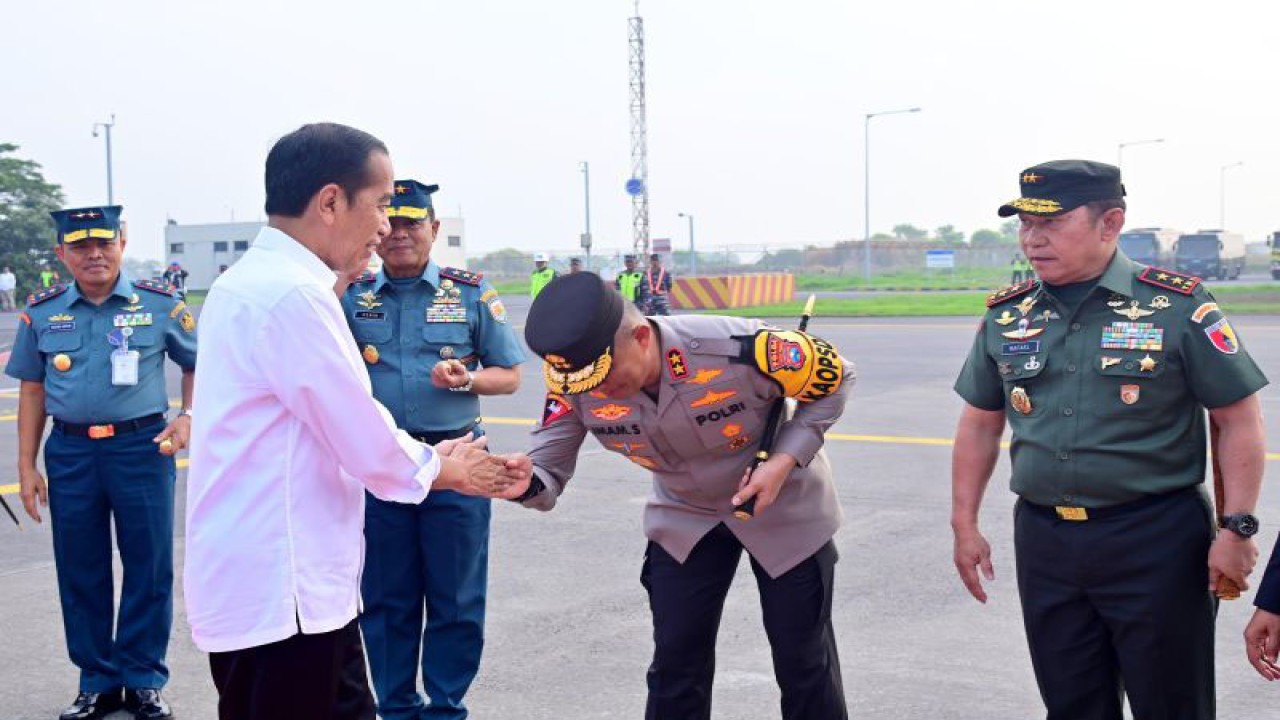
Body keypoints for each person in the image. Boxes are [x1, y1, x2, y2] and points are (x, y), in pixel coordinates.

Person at [183, 123, 516, 720]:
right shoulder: (293, 297)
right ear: (331, 201)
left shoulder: (245, 285)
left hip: (264, 585)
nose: (388, 226)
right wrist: (447, 466)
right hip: (289, 596)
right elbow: (363, 439)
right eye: (382, 204)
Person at [951, 160, 1268, 720]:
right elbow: (980, 422)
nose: (1032, 238)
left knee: (1171, 705)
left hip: (1156, 538)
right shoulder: (1008, 314)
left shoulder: (1178, 305)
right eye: (1024, 223)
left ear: (1111, 222)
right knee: (1071, 704)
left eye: (1050, 223)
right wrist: (964, 523)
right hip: (1046, 540)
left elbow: (1238, 419)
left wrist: (1236, 527)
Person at [498, 271, 854, 719]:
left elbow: (837, 378)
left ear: (642, 337)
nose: (598, 391)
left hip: (784, 508)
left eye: (606, 378)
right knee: (675, 666)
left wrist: (783, 461)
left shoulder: (741, 347)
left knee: (804, 661)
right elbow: (547, 466)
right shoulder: (577, 378)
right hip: (686, 517)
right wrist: (526, 481)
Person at [341, 179, 525, 720]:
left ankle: (446, 707)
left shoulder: (468, 292)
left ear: (434, 229)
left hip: (462, 463)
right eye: (390, 223)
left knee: (457, 597)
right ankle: (395, 707)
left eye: (411, 223)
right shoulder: (351, 295)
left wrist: (467, 379)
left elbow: (510, 376)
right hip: (384, 465)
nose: (398, 234)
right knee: (385, 596)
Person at [6, 205, 197, 720]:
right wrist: (26, 468)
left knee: (149, 566)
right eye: (82, 246)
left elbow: (198, 364)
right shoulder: (43, 312)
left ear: (122, 242)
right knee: (80, 567)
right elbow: (31, 390)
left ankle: (142, 679)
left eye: (104, 243)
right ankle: (96, 680)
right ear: (61, 253)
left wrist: (188, 418)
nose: (95, 254)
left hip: (141, 448)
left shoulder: (158, 304)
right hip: (70, 453)